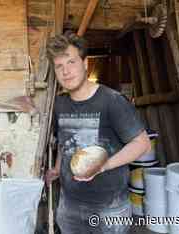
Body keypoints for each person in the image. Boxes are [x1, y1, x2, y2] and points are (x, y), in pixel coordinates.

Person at [45, 32, 151, 234]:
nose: (66, 71)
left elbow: (142, 143)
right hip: (70, 206)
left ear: (85, 64)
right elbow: (64, 141)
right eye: (59, 66)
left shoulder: (112, 101)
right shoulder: (59, 103)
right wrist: (58, 169)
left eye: (71, 62)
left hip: (108, 209)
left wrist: (104, 166)